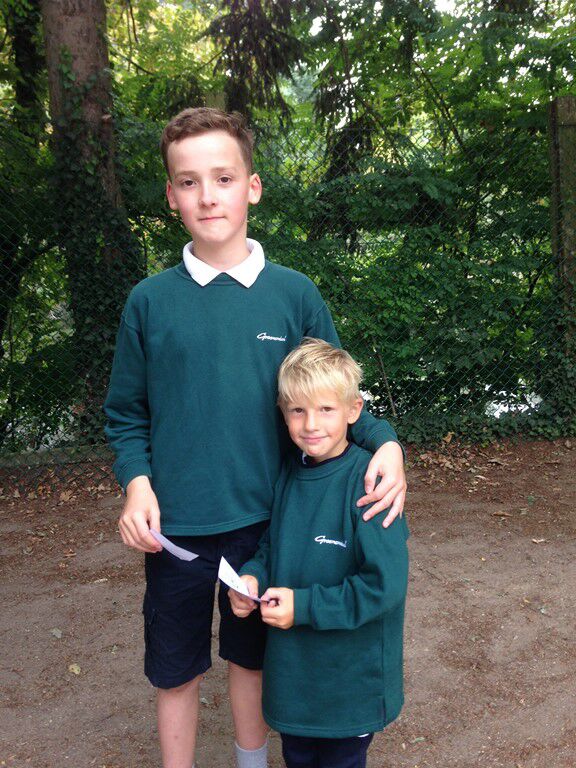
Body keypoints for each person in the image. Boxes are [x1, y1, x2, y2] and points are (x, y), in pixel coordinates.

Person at [104, 107, 407, 768]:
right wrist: (137, 485)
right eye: (189, 182)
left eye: (223, 178)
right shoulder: (148, 302)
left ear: (253, 187)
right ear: (170, 195)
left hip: (272, 524)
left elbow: (335, 392)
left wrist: (385, 441)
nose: (207, 196)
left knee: (252, 657)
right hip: (176, 532)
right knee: (175, 668)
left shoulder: (293, 295)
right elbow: (126, 415)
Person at [230, 338, 409, 768]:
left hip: (349, 686)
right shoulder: (290, 474)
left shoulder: (371, 484)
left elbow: (383, 587)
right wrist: (252, 576)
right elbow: (273, 545)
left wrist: (304, 606)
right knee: (298, 757)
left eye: (326, 409)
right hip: (294, 682)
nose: (311, 424)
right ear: (283, 412)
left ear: (354, 410)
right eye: (297, 410)